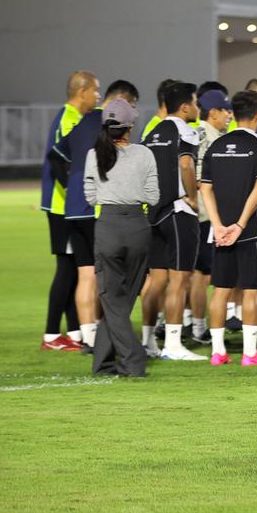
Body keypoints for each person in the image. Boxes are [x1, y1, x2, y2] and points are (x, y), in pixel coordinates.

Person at [51, 78, 140, 351]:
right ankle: (108, 334)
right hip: (99, 209)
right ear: (122, 102)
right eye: (132, 106)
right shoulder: (110, 128)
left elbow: (55, 155)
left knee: (86, 273)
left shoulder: (83, 123)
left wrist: (72, 187)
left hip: (75, 210)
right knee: (109, 276)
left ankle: (88, 338)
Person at [200, 90, 257, 366]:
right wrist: (239, 225)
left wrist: (218, 224)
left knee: (220, 289)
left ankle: (218, 352)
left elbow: (205, 189)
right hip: (252, 230)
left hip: (220, 231)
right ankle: (249, 353)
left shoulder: (216, 146)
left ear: (232, 113)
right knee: (250, 290)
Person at [83, 98, 158, 377]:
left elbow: (90, 196)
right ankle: (121, 360)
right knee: (122, 299)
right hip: (138, 225)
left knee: (113, 299)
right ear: (130, 126)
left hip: (108, 225)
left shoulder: (94, 155)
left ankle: (115, 362)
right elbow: (153, 196)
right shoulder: (144, 154)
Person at [141, 81, 205, 361]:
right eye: (195, 102)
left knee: (156, 280)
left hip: (154, 213)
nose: (197, 108)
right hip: (179, 212)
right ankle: (174, 344)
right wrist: (192, 197)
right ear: (184, 106)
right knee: (180, 280)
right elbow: (186, 164)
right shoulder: (186, 131)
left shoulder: (152, 132)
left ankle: (147, 342)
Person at [39, 70, 99, 351]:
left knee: (76, 269)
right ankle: (52, 334)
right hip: (62, 207)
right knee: (66, 268)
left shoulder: (77, 118)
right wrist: (77, 191)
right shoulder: (69, 119)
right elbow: (56, 161)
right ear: (82, 91)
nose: (98, 97)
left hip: (70, 206)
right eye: (95, 91)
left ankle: (74, 332)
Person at [189, 88, 233, 346]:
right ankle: (198, 327)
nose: (229, 115)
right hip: (205, 216)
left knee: (196, 274)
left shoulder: (200, 133)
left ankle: (193, 324)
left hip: (201, 214)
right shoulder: (208, 137)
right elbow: (198, 179)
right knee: (202, 275)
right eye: (225, 110)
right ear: (213, 112)